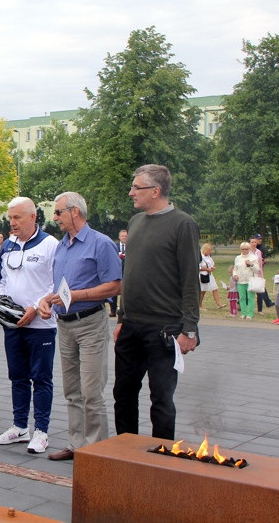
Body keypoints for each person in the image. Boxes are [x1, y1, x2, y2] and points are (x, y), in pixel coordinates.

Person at [113, 164, 201, 442]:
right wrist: (121, 319)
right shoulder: (135, 223)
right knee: (123, 393)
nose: (131, 193)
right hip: (131, 327)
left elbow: (190, 279)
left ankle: (161, 460)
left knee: (161, 398)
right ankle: (126, 453)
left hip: (165, 329)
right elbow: (130, 275)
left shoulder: (183, 224)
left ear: (156, 191)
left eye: (136, 188)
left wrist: (190, 329)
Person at [37, 192, 122, 461]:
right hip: (64, 324)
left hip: (90, 323)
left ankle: (96, 451)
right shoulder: (62, 245)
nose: (55, 218)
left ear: (75, 212)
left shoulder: (101, 243)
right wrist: (46, 300)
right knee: (72, 390)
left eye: (59, 212)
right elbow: (59, 287)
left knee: (91, 391)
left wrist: (78, 295)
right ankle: (76, 445)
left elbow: (115, 285)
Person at [0, 197, 57, 454]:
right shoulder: (7, 245)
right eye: (10, 218)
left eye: (17, 217)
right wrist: (2, 302)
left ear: (33, 217)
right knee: (17, 376)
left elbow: (57, 282)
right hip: (13, 325)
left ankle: (41, 430)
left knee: (41, 378)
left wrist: (34, 306)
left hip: (41, 324)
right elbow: (2, 280)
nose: (12, 223)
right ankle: (20, 427)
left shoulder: (50, 245)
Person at [232, 242, 260, 320]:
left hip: (250, 280)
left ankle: (249, 314)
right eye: (243, 249)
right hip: (240, 280)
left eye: (246, 249)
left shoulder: (253, 257)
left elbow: (257, 270)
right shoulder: (238, 258)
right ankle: (243, 313)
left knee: (250, 298)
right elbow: (235, 269)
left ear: (249, 249)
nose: (244, 250)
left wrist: (251, 264)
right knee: (242, 297)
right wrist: (234, 275)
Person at [250, 234, 275, 313]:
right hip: (250, 271)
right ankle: (239, 303)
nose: (259, 240)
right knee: (252, 288)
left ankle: (265, 304)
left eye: (260, 239)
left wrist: (263, 261)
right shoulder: (249, 249)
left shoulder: (260, 249)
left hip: (258, 271)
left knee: (260, 287)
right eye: (258, 239)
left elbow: (261, 260)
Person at [199, 243, 225, 309]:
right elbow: (198, 267)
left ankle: (219, 304)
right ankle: (200, 305)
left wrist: (212, 268)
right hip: (203, 275)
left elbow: (211, 264)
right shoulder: (201, 257)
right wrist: (207, 269)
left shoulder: (208, 257)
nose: (210, 252)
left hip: (210, 275)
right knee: (203, 291)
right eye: (209, 250)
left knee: (215, 289)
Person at [107, 230, 127, 317]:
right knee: (114, 291)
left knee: (125, 292)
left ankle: (125, 311)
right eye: (122, 236)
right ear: (119, 237)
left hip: (126, 271)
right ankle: (113, 310)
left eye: (126, 236)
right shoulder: (115, 246)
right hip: (116, 271)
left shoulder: (132, 246)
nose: (124, 237)